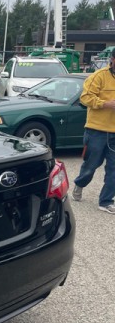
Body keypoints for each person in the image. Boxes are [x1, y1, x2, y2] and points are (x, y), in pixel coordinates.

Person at [72, 47, 115, 212]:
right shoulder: (98, 76)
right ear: (112, 59)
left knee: (113, 169)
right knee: (91, 165)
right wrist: (105, 103)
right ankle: (80, 183)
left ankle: (106, 201)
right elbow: (85, 98)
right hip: (96, 131)